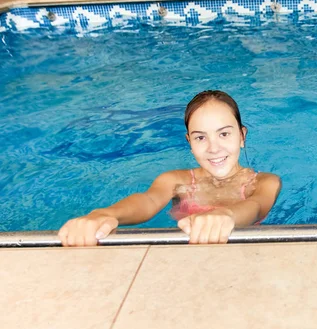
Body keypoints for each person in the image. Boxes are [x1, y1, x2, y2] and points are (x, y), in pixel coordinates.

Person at [59, 90, 281, 246]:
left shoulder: (264, 182)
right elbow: (148, 200)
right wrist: (104, 214)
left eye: (224, 134)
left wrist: (227, 215)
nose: (214, 148)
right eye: (200, 138)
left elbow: (256, 206)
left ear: (241, 136)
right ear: (189, 143)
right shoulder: (176, 181)